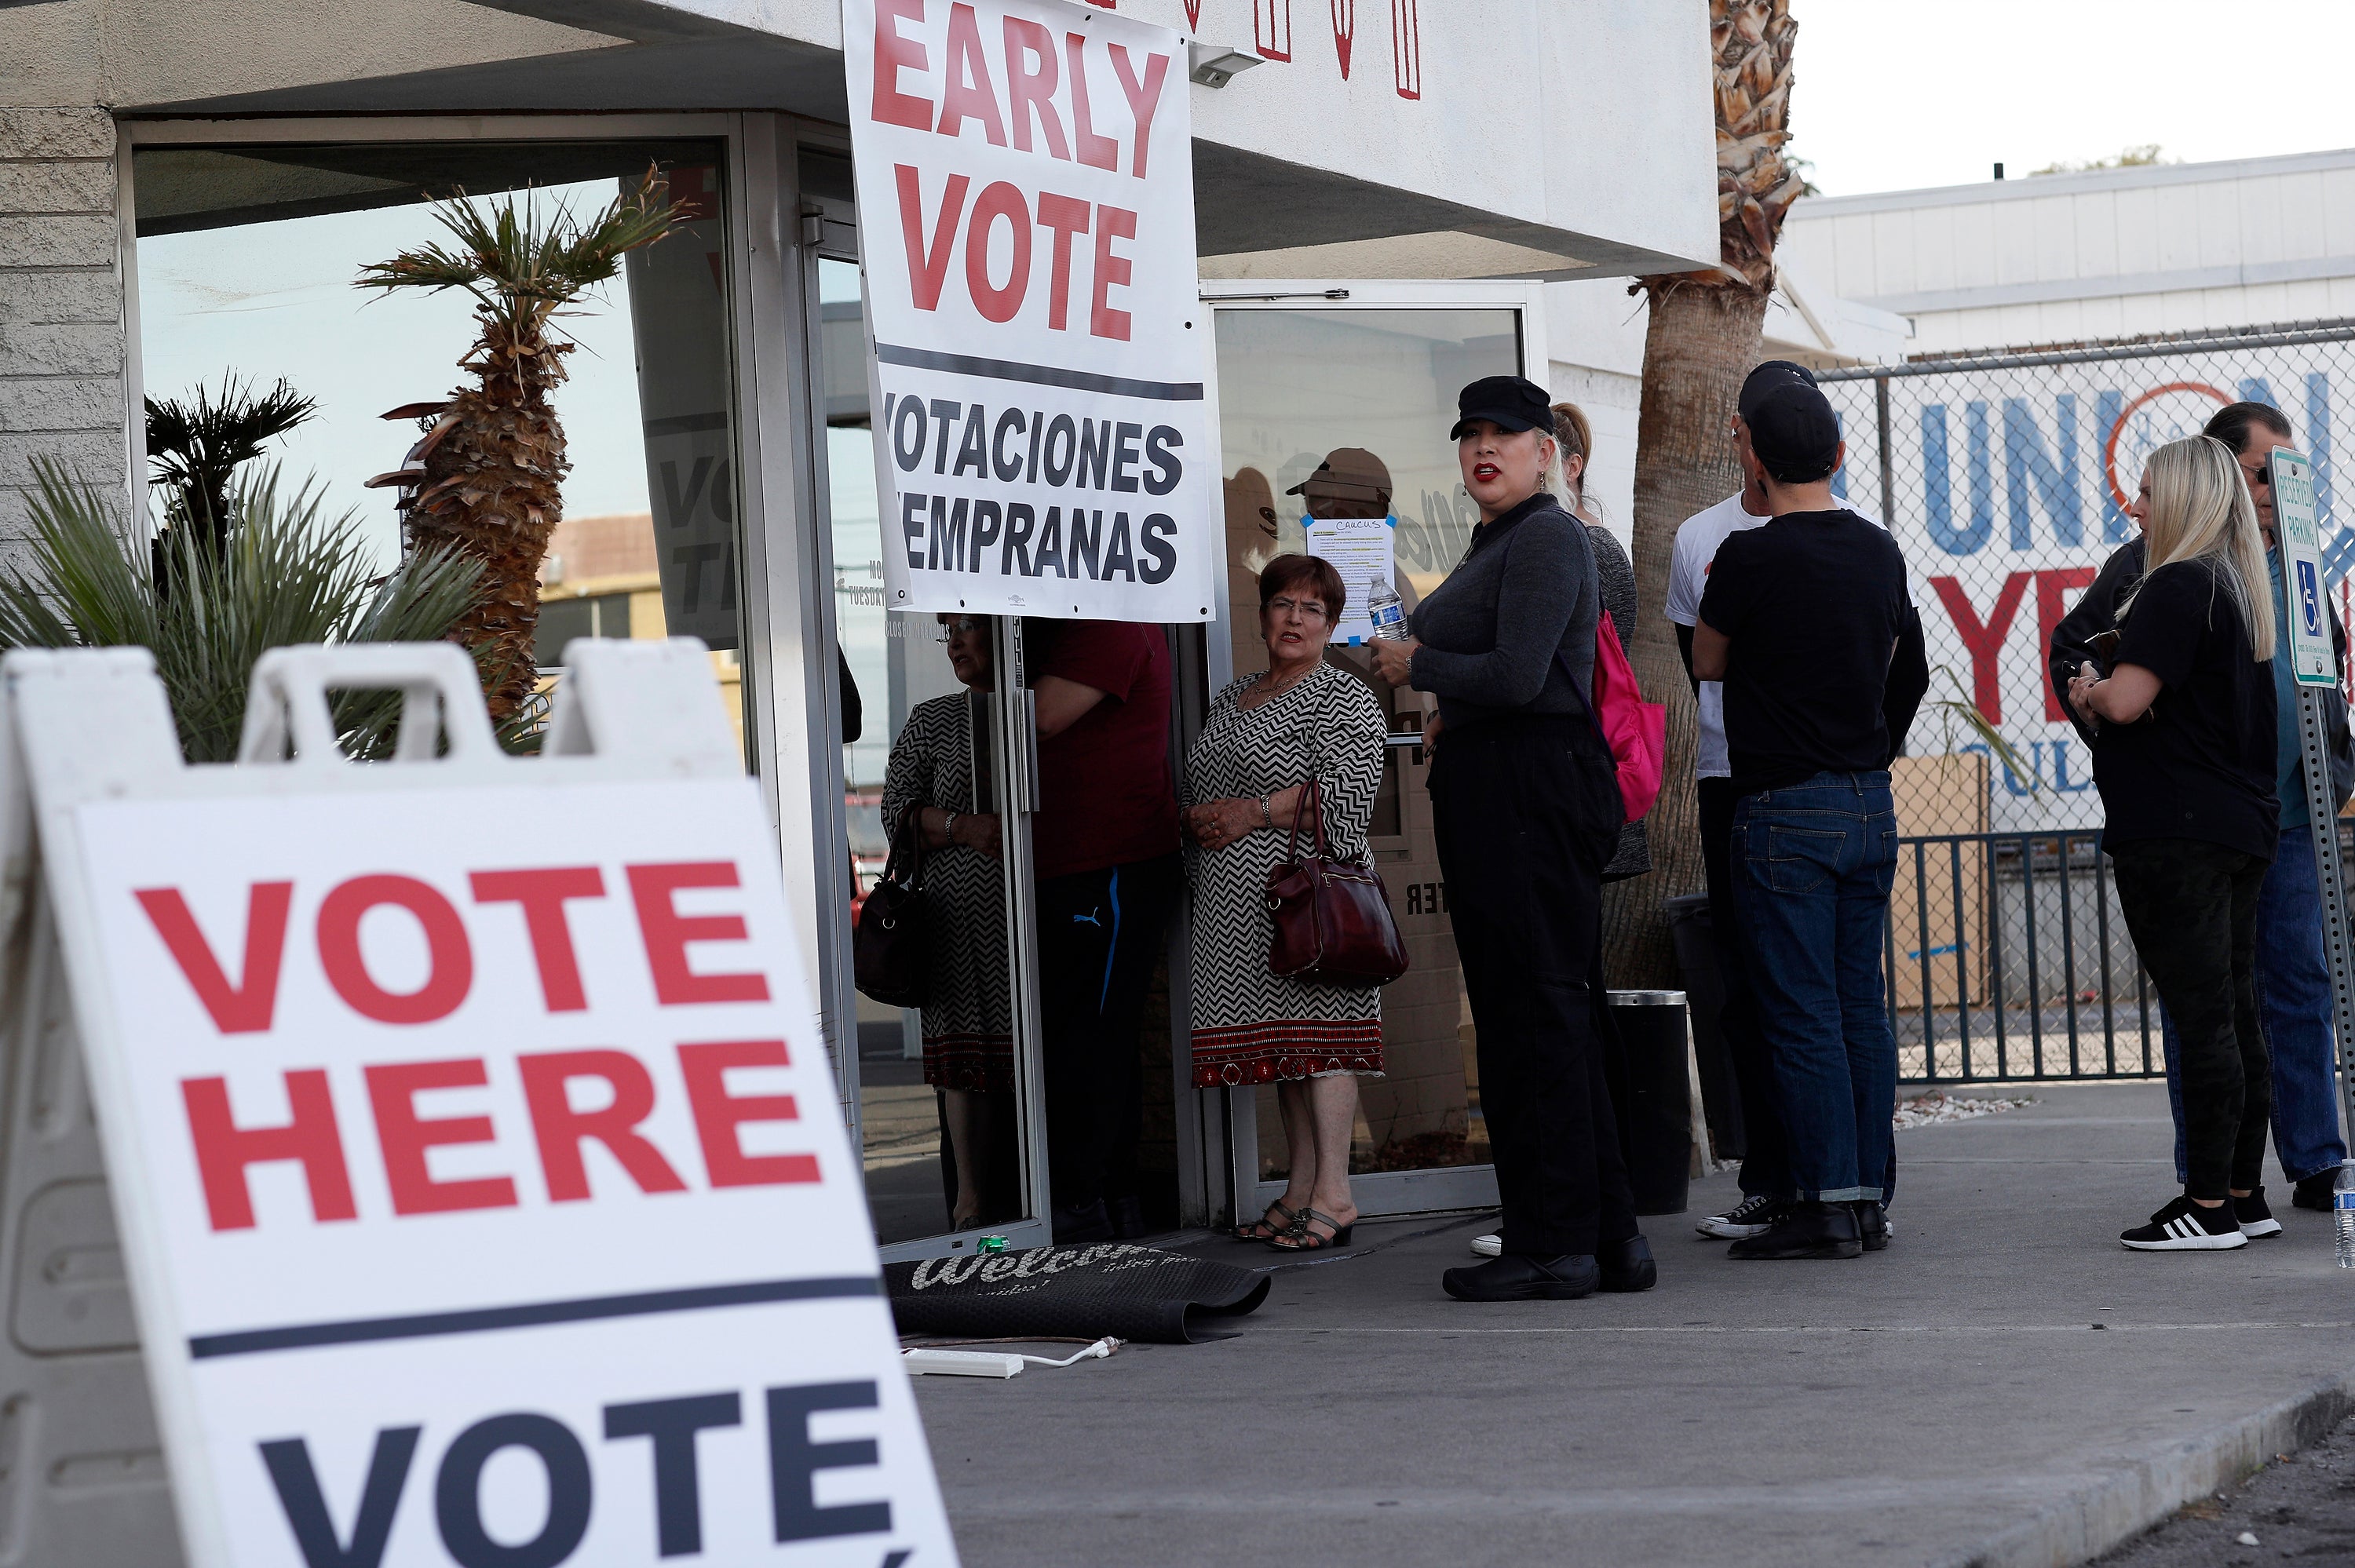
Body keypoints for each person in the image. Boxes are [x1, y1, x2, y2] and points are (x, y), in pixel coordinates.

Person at [1369, 374, 1652, 1302]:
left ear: (1549, 454)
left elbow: (1525, 673)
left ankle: (1555, 1244)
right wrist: (1460, 712)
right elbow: (1519, 675)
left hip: (1530, 793)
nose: (1484, 448)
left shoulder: (1546, 537)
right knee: (1547, 1014)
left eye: (1506, 434)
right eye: (1470, 435)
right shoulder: (1504, 539)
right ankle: (1607, 1239)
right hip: (1510, 780)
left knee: (1533, 1018)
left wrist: (1421, 666)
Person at [2050, 403, 2352, 1222]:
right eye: (2263, 472)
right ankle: (2214, 1178)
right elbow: (2078, 649)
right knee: (2211, 1003)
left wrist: (2337, 765)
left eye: (2290, 474)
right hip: (2210, 817)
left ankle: (2308, 1164)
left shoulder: (2290, 572)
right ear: (2220, 472)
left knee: (2292, 989)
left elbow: (2327, 677)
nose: (2276, 489)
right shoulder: (2155, 566)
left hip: (2284, 818)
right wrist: (2102, 705)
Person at [1666, 363, 1921, 1242]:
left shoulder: (1745, 551)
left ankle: (1822, 1201)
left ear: (1754, 455)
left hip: (1781, 801)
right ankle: (1867, 1198)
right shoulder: (1878, 549)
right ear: (1840, 452)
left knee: (1799, 1008)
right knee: (1859, 1005)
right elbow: (1904, 663)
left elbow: (1705, 660)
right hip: (1866, 797)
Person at [2065, 436, 2279, 1251]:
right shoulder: (2237, 587)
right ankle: (2242, 1192)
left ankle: (2208, 1206)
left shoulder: (2176, 585)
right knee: (2233, 1011)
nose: (2135, 506)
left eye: (2148, 491)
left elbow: (2123, 703)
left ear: (2184, 499)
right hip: (2238, 824)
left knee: (2203, 1019)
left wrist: (2089, 687)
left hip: (2178, 831)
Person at [1182, 555, 1389, 1252]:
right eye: (1282, 604)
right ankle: (1301, 1189)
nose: (1294, 619)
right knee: (1287, 1049)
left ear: (1331, 624)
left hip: (1310, 902)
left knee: (1322, 1042)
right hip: (1234, 907)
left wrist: (1251, 812)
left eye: (1311, 608)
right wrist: (1201, 818)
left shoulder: (1345, 696)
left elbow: (1350, 800)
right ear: (1263, 614)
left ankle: (1337, 1192)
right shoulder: (1233, 694)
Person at [1028, 618, 1183, 1242]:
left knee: (1089, 1038)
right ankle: (1110, 1199)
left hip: (1108, 864)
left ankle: (1083, 1203)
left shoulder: (1112, 619)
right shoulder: (1084, 624)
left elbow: (1041, 716)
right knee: (1089, 1034)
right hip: (1077, 861)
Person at [878, 614, 1014, 1229]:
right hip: (955, 916)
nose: (955, 642)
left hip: (1033, 916)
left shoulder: (1040, 708)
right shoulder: (933, 719)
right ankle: (970, 1205)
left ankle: (1043, 1199)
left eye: (968, 628)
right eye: (948, 631)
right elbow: (895, 813)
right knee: (964, 1063)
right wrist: (963, 827)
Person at [1554, 400, 1648, 883]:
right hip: (1578, 769)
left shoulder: (1591, 548)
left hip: (1585, 768)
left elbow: (1602, 673)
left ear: (1572, 467)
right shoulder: (1567, 540)